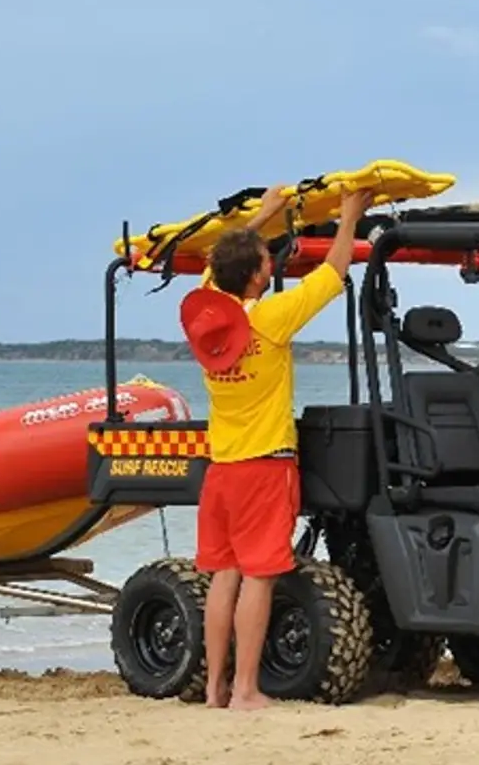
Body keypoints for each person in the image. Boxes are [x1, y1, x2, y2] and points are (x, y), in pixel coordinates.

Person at [180, 182, 373, 710]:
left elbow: (222, 262)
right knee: (260, 578)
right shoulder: (268, 319)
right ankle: (245, 690)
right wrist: (350, 216)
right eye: (267, 260)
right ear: (261, 275)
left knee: (224, 576)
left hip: (221, 468)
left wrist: (265, 216)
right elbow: (332, 273)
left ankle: (216, 687)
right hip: (264, 466)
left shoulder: (209, 319)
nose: (272, 264)